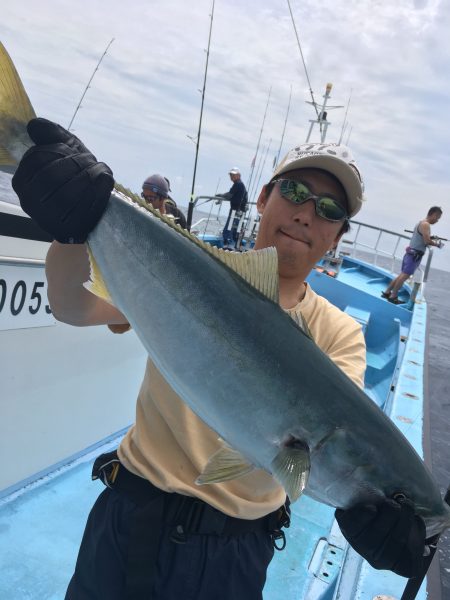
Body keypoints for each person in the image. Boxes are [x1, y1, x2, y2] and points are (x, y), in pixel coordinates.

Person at [12, 120, 426, 599]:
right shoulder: (185, 265)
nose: (307, 214)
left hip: (234, 555)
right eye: (294, 191)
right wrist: (71, 230)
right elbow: (72, 306)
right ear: (263, 198)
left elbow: (337, 434)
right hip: (129, 516)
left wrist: (379, 510)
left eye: (329, 209)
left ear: (337, 238)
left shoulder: (340, 335)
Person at [382, 206, 443, 304]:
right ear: (434, 214)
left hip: (410, 254)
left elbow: (423, 237)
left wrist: (431, 237)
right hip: (414, 256)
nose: (437, 220)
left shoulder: (421, 222)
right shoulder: (426, 224)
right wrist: (437, 244)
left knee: (401, 275)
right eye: (438, 218)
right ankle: (393, 296)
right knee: (404, 277)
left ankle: (387, 292)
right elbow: (426, 241)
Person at [216, 167, 248, 245]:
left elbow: (229, 195)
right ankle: (234, 243)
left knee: (228, 230)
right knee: (235, 230)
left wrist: (221, 195)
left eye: (233, 175)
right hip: (240, 210)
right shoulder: (239, 184)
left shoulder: (238, 184)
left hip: (236, 210)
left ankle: (226, 243)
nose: (231, 176)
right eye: (231, 175)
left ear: (238, 175)